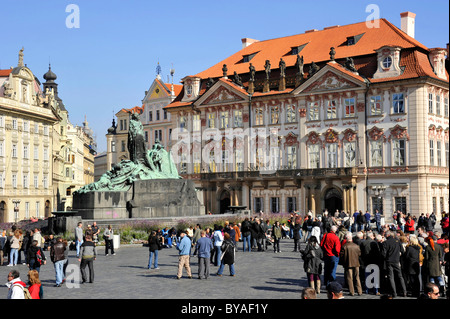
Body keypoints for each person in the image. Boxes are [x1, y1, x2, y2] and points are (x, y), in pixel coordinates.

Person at [382, 230, 407, 297]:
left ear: (387, 235)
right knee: (400, 276)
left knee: (391, 277)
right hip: (396, 260)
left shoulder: (385, 242)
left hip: (389, 261)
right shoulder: (397, 241)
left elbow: (383, 254)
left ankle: (394, 293)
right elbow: (402, 251)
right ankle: (404, 291)